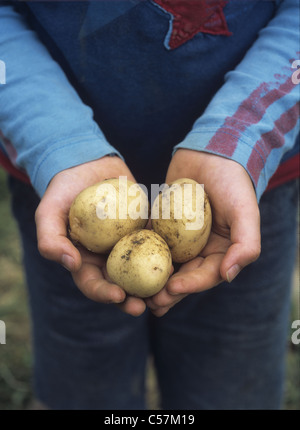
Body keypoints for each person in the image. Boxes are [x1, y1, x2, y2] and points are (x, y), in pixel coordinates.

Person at [0, 0, 299, 410]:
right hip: (60, 188)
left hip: (240, 194)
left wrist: (241, 137)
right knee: (84, 382)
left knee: (230, 381)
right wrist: (56, 143)